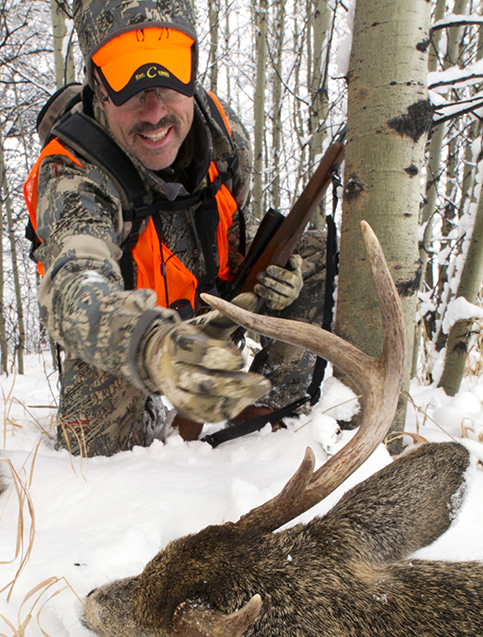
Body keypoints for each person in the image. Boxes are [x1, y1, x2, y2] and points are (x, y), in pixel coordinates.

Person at [25, 0, 306, 457]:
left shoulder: (224, 137)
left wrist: (276, 273)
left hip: (211, 316)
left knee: (311, 257)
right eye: (128, 84)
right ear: (98, 85)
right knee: (93, 457)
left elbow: (238, 233)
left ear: (193, 71)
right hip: (130, 345)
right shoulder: (72, 173)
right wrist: (155, 348)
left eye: (170, 77)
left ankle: (272, 421)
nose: (154, 111)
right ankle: (153, 425)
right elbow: (75, 289)